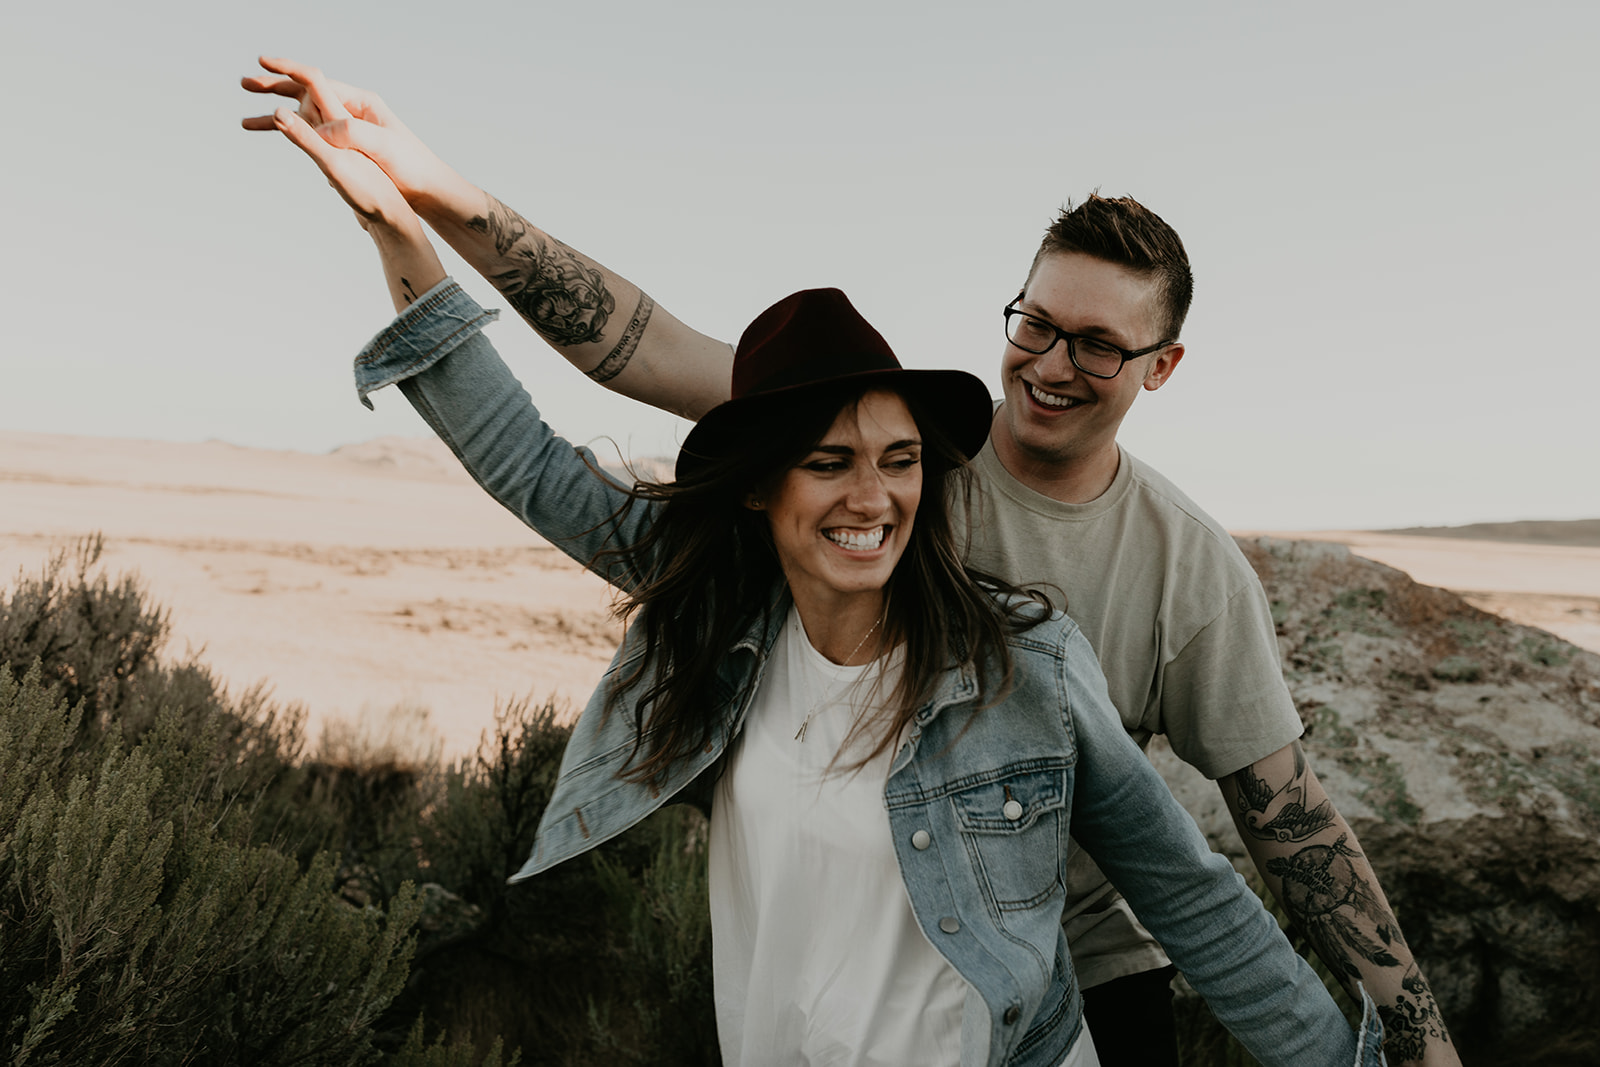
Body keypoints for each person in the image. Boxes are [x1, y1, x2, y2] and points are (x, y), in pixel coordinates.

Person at [243, 58, 1455, 1066]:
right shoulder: (780, 552)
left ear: (1158, 365)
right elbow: (610, 365)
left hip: (1055, 985)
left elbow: (1260, 846)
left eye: (1096, 343)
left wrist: (1410, 1045)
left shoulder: (1124, 600)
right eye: (1035, 324)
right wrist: (419, 202)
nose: (1049, 362)